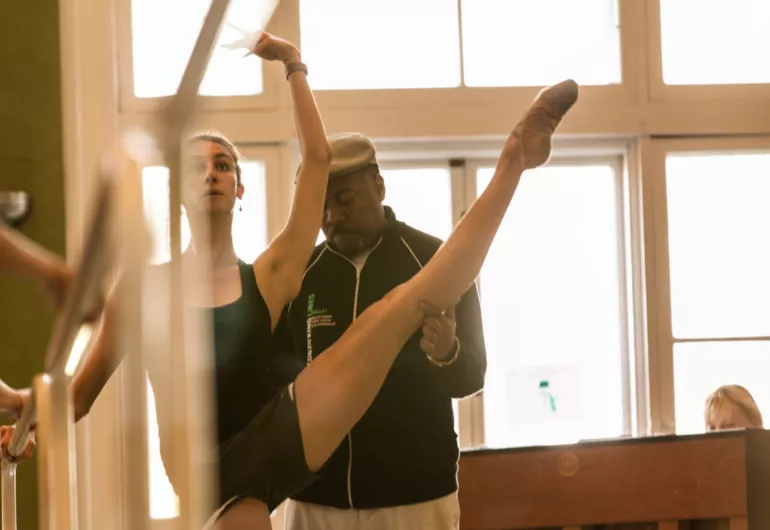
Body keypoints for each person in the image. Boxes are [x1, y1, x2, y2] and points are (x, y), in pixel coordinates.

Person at [2, 71, 580, 530]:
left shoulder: (274, 275)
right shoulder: (151, 287)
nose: (211, 176)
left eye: (223, 165)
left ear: (239, 186)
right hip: (214, 477)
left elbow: (318, 161)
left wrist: (292, 67)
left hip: (297, 446)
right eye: (195, 168)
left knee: (408, 301)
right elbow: (75, 397)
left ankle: (514, 158)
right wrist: (22, 413)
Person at [281, 132, 486, 530]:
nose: (332, 218)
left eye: (344, 201)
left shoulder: (435, 260)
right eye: (321, 207)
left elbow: (472, 375)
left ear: (378, 186)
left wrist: (447, 351)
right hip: (315, 499)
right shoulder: (298, 276)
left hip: (415, 498)